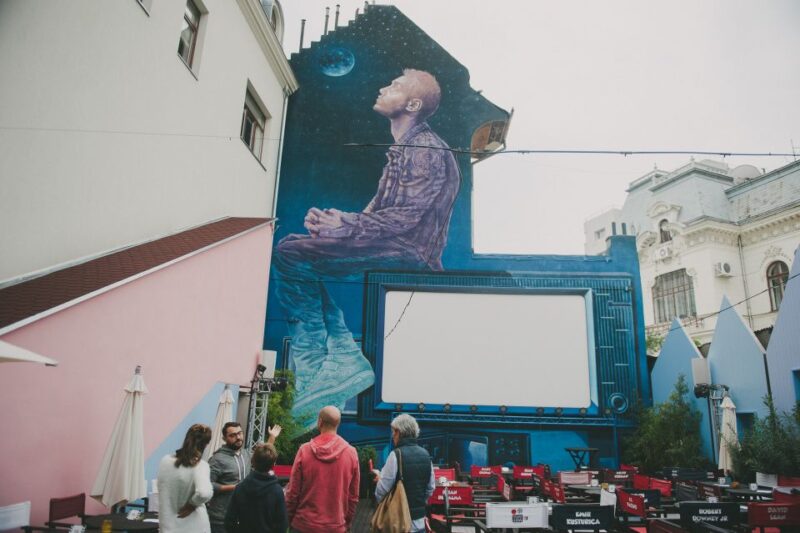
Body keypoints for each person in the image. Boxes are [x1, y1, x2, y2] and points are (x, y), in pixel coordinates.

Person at [274, 69, 461, 427]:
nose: (383, 86)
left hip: (410, 254)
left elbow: (405, 217)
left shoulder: (423, 150)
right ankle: (337, 355)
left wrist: (344, 225)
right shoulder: (405, 147)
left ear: (413, 103)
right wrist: (331, 227)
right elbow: (377, 211)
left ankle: (327, 361)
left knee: (291, 254)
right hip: (393, 242)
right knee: (295, 245)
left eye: (394, 86)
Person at [285, 406, 360, 533]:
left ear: (320, 422)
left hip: (303, 525)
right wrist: (346, 523)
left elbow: (293, 492)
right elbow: (353, 497)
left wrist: (290, 519)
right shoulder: (351, 453)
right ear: (338, 424)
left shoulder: (304, 450)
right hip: (335, 527)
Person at [208, 422, 282, 533]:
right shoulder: (217, 459)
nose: (238, 437)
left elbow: (264, 458)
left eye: (239, 433)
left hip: (241, 518)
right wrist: (234, 487)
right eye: (232, 435)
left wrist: (272, 437)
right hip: (219, 520)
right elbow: (207, 485)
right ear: (224, 438)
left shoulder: (245, 454)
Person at [374, 414, 435, 533]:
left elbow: (382, 490)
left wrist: (382, 503)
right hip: (420, 522)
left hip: (399, 522)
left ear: (398, 432)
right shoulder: (426, 455)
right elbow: (430, 487)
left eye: (393, 432)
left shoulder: (396, 455)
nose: (392, 436)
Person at [157, 424, 214, 533]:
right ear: (206, 444)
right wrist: (192, 504)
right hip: (194, 526)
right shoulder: (200, 466)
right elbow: (204, 493)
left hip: (168, 526)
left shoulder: (165, 461)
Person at [224, 443, 288, 533]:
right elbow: (282, 525)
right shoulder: (277, 491)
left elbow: (229, 521)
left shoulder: (240, 488)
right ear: (274, 464)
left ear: (253, 461)